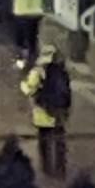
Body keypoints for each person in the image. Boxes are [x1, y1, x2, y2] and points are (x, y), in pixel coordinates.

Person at [21, 48, 71, 176]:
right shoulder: (62, 71)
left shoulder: (37, 72)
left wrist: (23, 85)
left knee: (44, 142)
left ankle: (47, 169)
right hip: (59, 112)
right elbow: (67, 92)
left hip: (43, 113)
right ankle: (60, 169)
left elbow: (28, 89)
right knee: (60, 142)